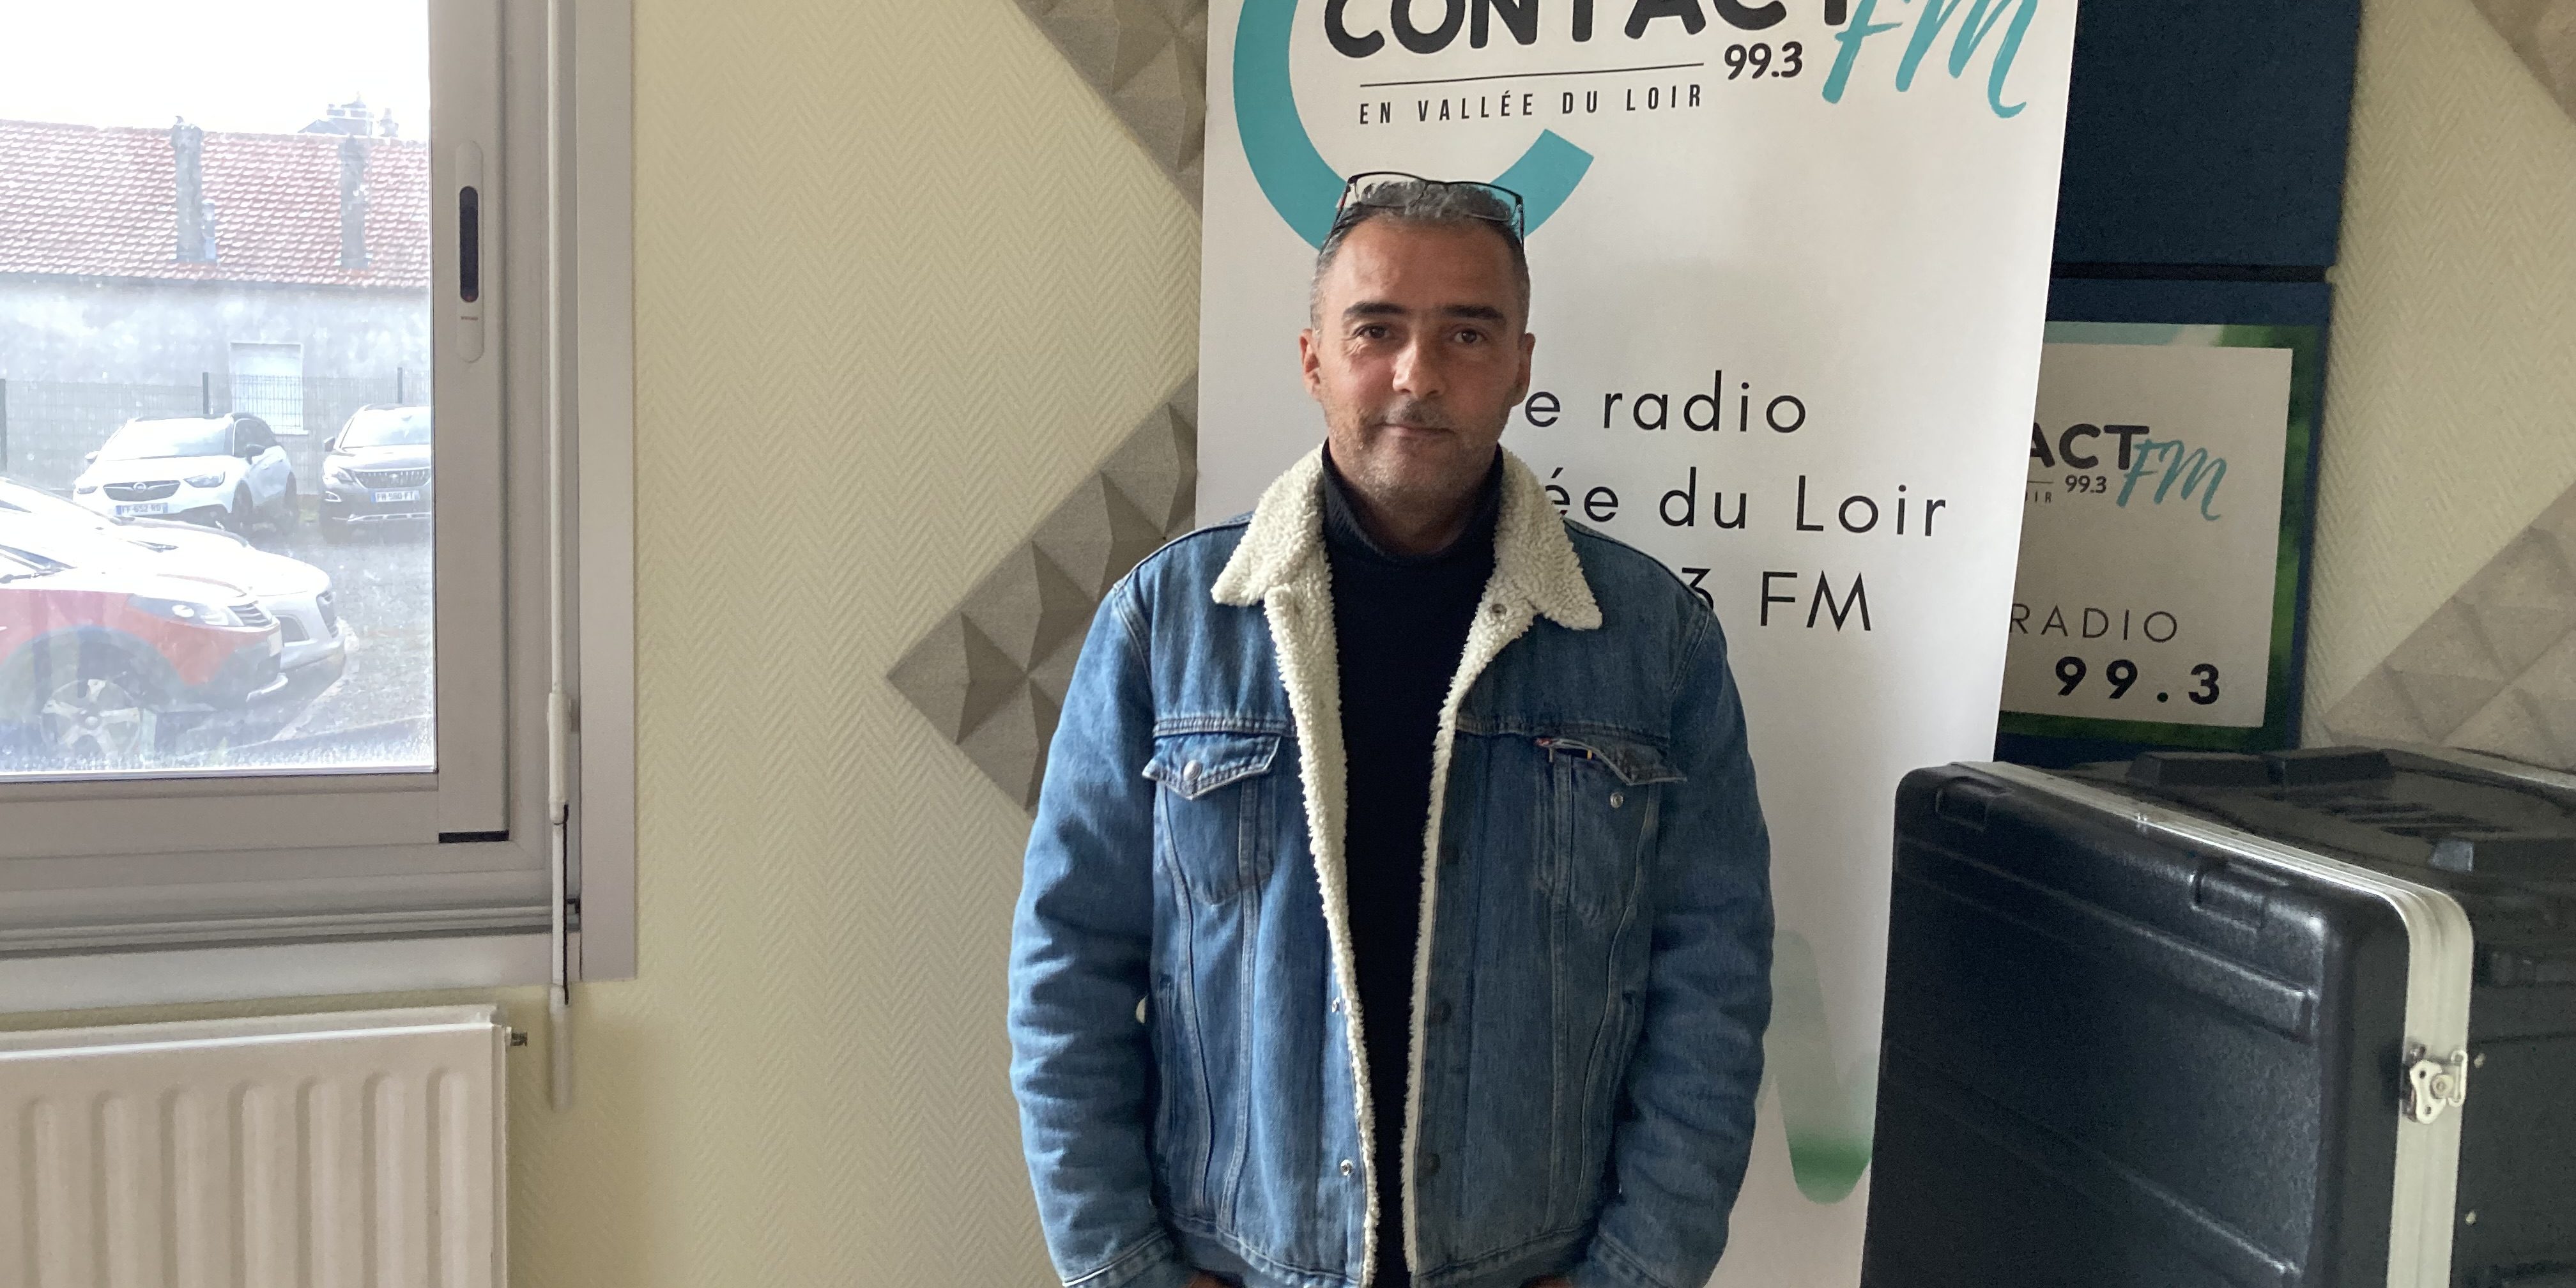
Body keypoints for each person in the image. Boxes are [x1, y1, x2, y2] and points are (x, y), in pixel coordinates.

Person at [1009, 174, 1774, 1288]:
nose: (1418, 374)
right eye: (1376, 330)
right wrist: (1125, 1271)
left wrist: (1635, 1276)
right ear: (1314, 359)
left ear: (1520, 364)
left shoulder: (1653, 643)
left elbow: (1712, 990)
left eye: (1467, 332)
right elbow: (1066, 972)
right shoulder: (1166, 627)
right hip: (1243, 1263)